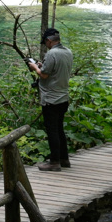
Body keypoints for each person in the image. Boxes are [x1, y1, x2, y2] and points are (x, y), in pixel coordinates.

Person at [27, 27, 73, 171]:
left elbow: (44, 75)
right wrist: (42, 66)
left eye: (45, 42)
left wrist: (35, 67)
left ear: (48, 41)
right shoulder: (67, 52)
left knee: (52, 130)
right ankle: (64, 159)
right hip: (63, 97)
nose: (45, 45)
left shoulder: (51, 53)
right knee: (59, 129)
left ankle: (54, 162)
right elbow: (53, 70)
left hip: (51, 99)